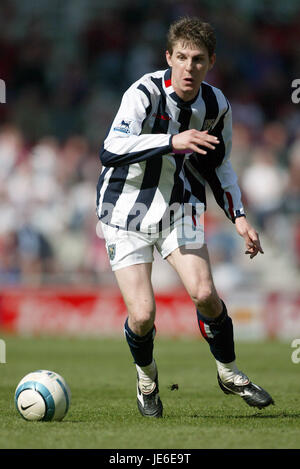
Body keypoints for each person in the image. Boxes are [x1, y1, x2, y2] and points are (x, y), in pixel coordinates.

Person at [96, 17, 274, 417]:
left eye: (197, 59)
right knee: (142, 315)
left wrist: (239, 216)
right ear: (168, 58)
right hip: (125, 208)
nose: (188, 67)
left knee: (206, 294)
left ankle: (228, 373)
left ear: (210, 62)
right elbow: (110, 148)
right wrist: (171, 141)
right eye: (181, 57)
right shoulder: (142, 92)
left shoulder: (216, 104)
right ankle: (147, 379)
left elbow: (219, 165)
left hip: (179, 205)